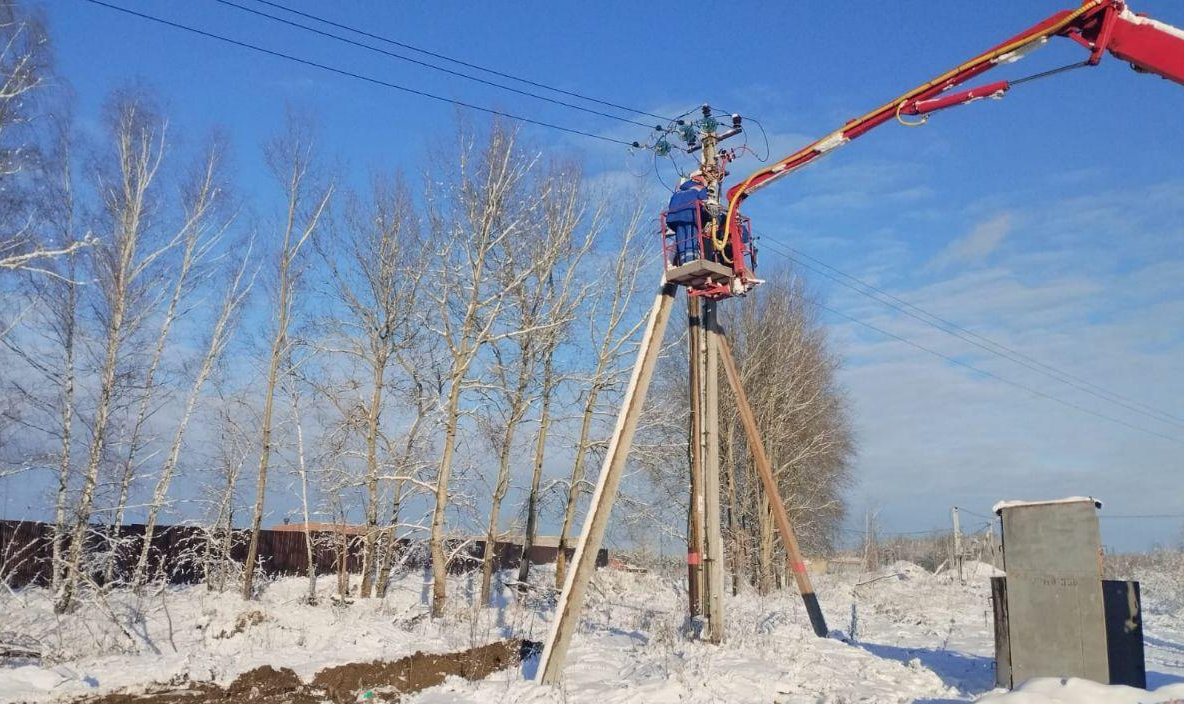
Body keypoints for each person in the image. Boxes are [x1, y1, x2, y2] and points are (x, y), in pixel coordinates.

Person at [665, 173, 708, 265]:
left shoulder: (678, 192)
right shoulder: (700, 188)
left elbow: (670, 205)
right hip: (690, 215)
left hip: (675, 219)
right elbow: (705, 201)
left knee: (681, 240)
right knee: (691, 237)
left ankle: (682, 260)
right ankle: (691, 260)